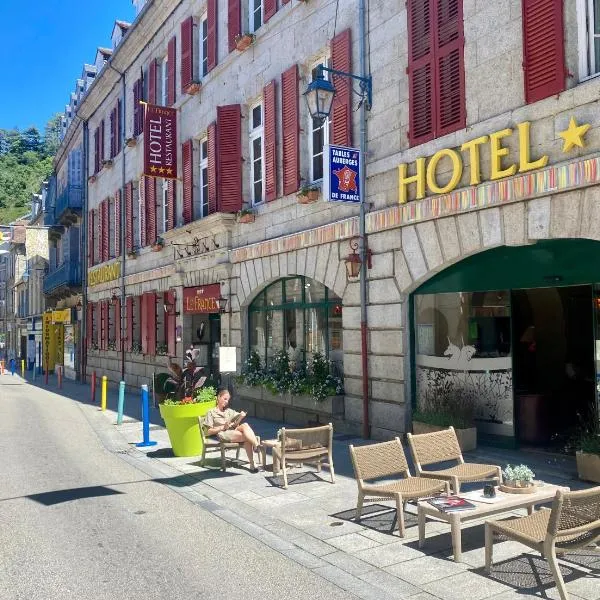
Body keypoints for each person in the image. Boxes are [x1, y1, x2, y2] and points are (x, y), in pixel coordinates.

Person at [204, 388, 260, 472]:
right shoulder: (211, 412)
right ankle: (253, 460)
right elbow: (208, 431)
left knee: (245, 425)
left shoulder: (229, 411)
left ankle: (256, 446)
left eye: (228, 400)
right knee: (248, 438)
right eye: (225, 399)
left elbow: (235, 424)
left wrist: (241, 416)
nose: (226, 401)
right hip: (223, 433)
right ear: (218, 397)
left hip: (233, 430)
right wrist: (223, 427)